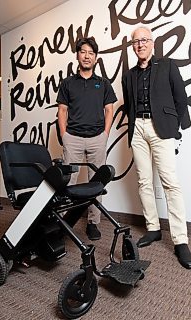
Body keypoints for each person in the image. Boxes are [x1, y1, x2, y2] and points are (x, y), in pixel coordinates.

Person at [121, 26, 191, 269]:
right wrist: (133, 130)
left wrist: (174, 128)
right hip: (138, 129)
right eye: (136, 41)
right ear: (132, 47)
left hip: (160, 127)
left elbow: (181, 99)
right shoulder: (128, 75)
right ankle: (153, 228)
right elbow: (129, 105)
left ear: (152, 43)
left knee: (169, 182)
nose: (140, 44)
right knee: (143, 181)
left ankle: (180, 240)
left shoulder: (168, 66)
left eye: (144, 40)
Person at [56, 37, 117, 240]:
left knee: (96, 183)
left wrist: (105, 134)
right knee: (68, 182)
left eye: (91, 53)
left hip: (96, 139)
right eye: (83, 52)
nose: (87, 56)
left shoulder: (103, 84)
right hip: (72, 138)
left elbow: (110, 109)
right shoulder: (68, 83)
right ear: (77, 55)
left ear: (96, 57)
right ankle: (63, 221)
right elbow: (62, 110)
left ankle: (93, 223)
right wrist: (64, 135)